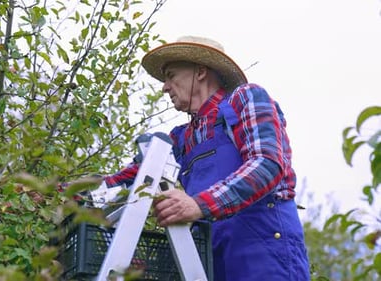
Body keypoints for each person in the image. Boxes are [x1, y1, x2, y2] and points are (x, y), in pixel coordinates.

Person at [102, 36, 311, 281]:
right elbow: (131, 178)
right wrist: (65, 193)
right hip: (212, 263)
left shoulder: (245, 99)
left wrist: (198, 205)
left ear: (200, 71)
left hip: (265, 258)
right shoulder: (181, 138)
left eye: (171, 75)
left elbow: (266, 165)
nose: (165, 87)